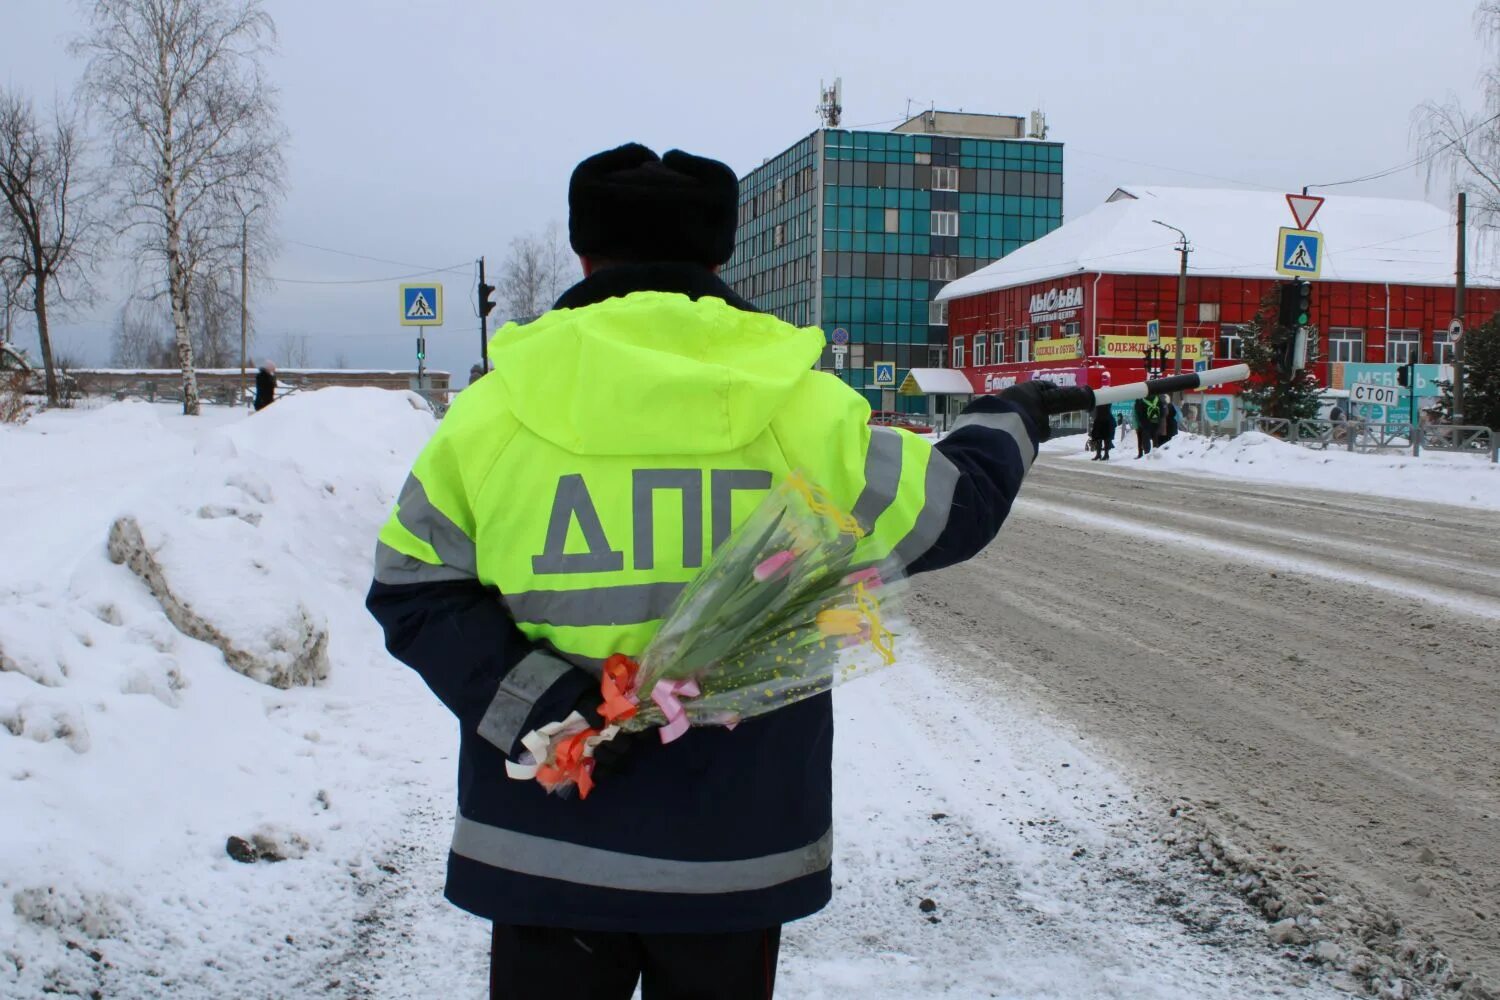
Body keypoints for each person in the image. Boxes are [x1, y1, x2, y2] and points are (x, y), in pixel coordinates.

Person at [365, 142, 1057, 1000]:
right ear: (720, 254)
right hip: (733, 854)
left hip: (547, 843)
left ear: (585, 253)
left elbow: (411, 590)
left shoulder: (493, 413)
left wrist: (548, 715)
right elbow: (955, 506)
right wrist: (1010, 416)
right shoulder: (798, 405)